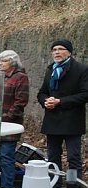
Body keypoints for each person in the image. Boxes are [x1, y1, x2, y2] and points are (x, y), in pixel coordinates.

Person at [37, 39, 88, 177]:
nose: (57, 52)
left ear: (69, 52)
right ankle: (55, 187)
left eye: (60, 49)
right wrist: (45, 101)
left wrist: (60, 101)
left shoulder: (81, 69)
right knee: (53, 157)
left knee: (73, 157)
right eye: (54, 50)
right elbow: (42, 92)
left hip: (72, 121)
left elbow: (85, 94)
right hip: (52, 120)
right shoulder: (50, 69)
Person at [0, 50, 29, 188]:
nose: (0, 64)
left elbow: (21, 101)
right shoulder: (0, 77)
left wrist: (6, 118)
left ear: (13, 62)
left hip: (10, 125)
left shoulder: (20, 77)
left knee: (6, 158)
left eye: (3, 61)